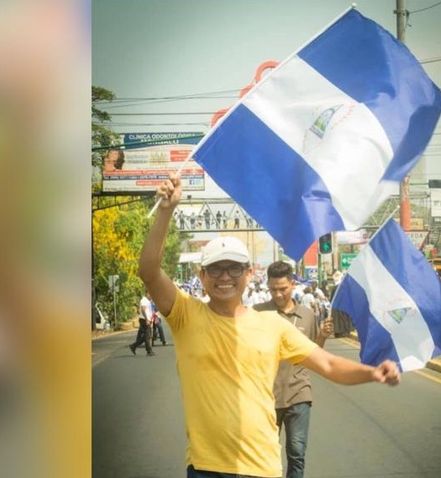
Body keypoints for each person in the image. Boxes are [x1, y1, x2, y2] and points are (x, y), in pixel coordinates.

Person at [138, 172, 401, 478]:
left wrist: (372, 373)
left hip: (262, 468)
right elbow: (149, 271)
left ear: (249, 274)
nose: (225, 277)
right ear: (202, 276)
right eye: (216, 269)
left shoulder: (272, 325)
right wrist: (166, 211)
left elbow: (328, 365)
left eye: (234, 268)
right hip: (206, 468)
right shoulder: (186, 314)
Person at [254, 261, 334, 478]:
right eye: (273, 289)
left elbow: (313, 353)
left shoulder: (307, 315)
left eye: (283, 289)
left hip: (299, 393)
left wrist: (322, 336)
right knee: (263, 455)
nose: (278, 294)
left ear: (293, 284)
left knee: (296, 453)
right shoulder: (257, 314)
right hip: (265, 397)